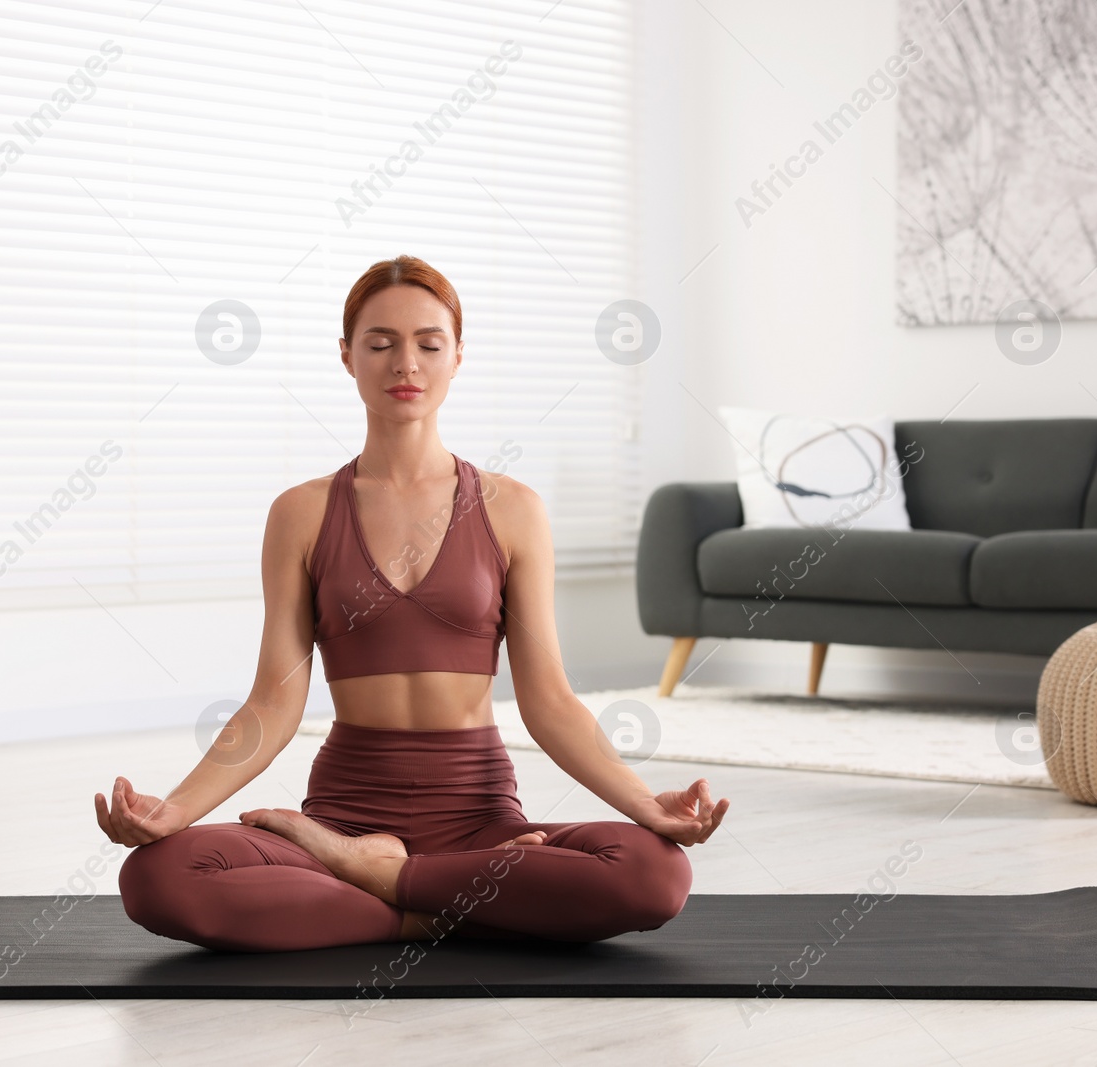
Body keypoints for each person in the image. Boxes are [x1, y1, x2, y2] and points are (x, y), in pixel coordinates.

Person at [94, 255, 729, 952]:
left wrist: (644, 805)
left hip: (480, 816)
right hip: (344, 814)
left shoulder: (512, 509)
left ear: (459, 355)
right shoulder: (300, 513)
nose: (407, 363)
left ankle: (379, 884)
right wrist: (174, 809)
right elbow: (273, 703)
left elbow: (549, 701)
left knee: (652, 873)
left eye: (429, 343)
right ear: (346, 356)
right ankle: (434, 901)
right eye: (380, 343)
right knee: (158, 877)